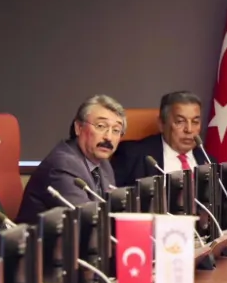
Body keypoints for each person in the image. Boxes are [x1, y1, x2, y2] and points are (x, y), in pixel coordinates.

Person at [16, 94, 124, 224]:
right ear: (78, 128)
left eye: (116, 130)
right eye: (101, 126)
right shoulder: (63, 165)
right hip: (42, 237)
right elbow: (87, 221)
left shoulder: (104, 164)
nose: (109, 137)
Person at [112, 91, 215, 187]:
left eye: (195, 122)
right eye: (180, 121)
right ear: (161, 124)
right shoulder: (132, 155)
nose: (189, 129)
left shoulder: (208, 160)